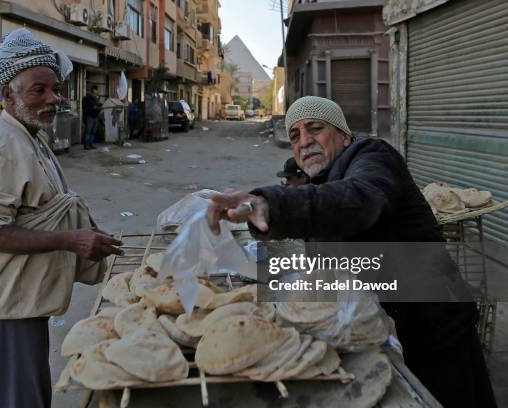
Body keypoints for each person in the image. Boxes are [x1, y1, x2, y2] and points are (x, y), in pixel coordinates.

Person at [205, 96, 497, 408]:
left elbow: (359, 199)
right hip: (380, 333)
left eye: (315, 129)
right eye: (295, 135)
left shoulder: (374, 158)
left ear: (344, 135)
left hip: (434, 328)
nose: (305, 142)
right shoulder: (321, 184)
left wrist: (270, 204)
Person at [0, 28, 123, 408]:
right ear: (7, 94)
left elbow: (45, 205)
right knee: (24, 395)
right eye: (38, 90)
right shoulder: (0, 143)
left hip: (26, 291)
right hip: (10, 292)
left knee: (30, 386)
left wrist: (83, 231)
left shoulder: (28, 133)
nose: (53, 99)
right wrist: (72, 240)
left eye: (55, 89)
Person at [82, 85, 102, 149]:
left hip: (95, 117)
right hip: (89, 117)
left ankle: (91, 144)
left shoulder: (96, 99)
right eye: (94, 93)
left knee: (93, 132)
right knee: (88, 131)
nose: (95, 94)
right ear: (91, 92)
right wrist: (95, 106)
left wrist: (98, 100)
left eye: (96, 93)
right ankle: (86, 145)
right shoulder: (86, 98)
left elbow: (98, 105)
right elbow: (89, 106)